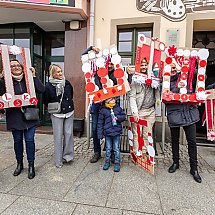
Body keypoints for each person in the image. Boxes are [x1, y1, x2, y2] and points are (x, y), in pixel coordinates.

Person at [0, 59, 45, 179]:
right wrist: (1, 79)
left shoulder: (29, 80)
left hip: (30, 115)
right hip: (14, 116)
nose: (15, 67)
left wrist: (34, 76)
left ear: (21, 66)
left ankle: (31, 165)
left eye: (17, 65)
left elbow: (42, 90)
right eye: (12, 66)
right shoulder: (6, 82)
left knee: (30, 140)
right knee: (17, 141)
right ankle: (19, 163)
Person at [166, 63, 202, 183]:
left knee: (192, 141)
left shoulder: (186, 76)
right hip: (175, 114)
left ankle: (194, 168)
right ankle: (175, 162)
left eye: (174, 67)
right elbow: (166, 97)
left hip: (189, 113)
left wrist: (189, 68)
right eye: (170, 67)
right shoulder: (164, 81)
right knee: (174, 140)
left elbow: (202, 76)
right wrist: (177, 87)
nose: (173, 69)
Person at [82, 46, 117, 163]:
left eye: (110, 63)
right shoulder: (94, 74)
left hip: (109, 105)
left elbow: (120, 88)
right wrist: (91, 48)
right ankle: (97, 152)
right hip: (96, 105)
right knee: (95, 128)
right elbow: (84, 57)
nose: (108, 65)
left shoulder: (114, 75)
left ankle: (111, 152)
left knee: (110, 128)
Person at [44, 64, 74, 168]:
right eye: (58, 72)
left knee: (69, 134)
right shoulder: (48, 86)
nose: (60, 73)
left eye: (61, 71)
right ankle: (58, 160)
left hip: (69, 112)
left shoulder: (67, 83)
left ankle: (68, 156)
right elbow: (46, 100)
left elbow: (71, 95)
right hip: (56, 113)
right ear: (53, 74)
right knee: (58, 137)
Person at [128, 57, 160, 155]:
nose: (144, 67)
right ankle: (136, 153)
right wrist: (135, 112)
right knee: (137, 134)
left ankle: (145, 153)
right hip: (139, 110)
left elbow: (157, 91)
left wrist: (158, 101)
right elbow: (132, 97)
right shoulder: (135, 79)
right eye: (142, 65)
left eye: (146, 65)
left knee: (147, 133)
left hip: (150, 110)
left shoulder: (153, 78)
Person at [97, 97, 126, 172]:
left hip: (116, 132)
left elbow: (123, 116)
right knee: (108, 148)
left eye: (114, 99)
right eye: (112, 99)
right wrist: (100, 134)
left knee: (116, 148)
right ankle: (107, 162)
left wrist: (118, 118)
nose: (114, 100)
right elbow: (100, 123)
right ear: (108, 101)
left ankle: (117, 163)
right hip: (108, 133)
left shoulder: (118, 108)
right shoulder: (103, 110)